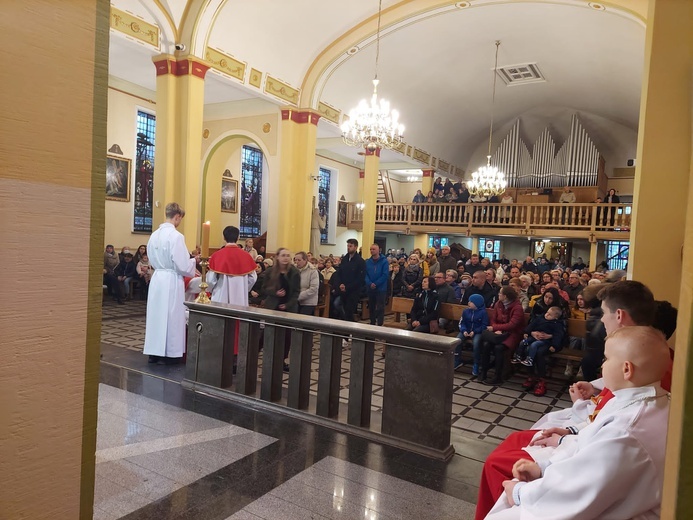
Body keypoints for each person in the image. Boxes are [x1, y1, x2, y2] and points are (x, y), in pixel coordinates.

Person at [485, 326, 671, 520]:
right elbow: (588, 443)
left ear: (626, 369)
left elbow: (576, 489)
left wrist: (520, 492)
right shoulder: (648, 401)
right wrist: (544, 466)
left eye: (606, 359)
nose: (602, 365)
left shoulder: (626, 431)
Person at [143, 202, 198, 364]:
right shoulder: (176, 236)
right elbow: (182, 265)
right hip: (171, 280)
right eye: (180, 219)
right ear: (177, 217)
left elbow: (151, 259)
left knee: (156, 316)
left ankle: (154, 353)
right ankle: (171, 353)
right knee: (172, 316)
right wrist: (194, 261)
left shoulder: (154, 235)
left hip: (157, 277)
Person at [512, 306, 565, 395]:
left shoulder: (557, 323)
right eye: (547, 312)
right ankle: (531, 375)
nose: (547, 315)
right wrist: (530, 332)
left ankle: (541, 380)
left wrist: (553, 342)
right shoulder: (540, 317)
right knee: (526, 347)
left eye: (549, 314)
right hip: (535, 338)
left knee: (539, 352)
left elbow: (559, 334)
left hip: (548, 342)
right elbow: (531, 325)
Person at [479, 286, 524, 386]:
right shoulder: (498, 304)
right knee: (486, 345)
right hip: (499, 333)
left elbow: (513, 325)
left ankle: (498, 376)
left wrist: (495, 328)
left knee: (499, 348)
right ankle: (484, 371)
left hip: (512, 333)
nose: (498, 295)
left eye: (500, 293)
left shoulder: (517, 308)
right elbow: (493, 319)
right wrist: (497, 329)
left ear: (506, 296)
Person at [207, 226, 258, 306]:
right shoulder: (246, 256)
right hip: (240, 298)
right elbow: (253, 278)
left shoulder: (217, 255)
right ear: (238, 237)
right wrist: (244, 288)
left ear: (224, 237)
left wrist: (211, 290)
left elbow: (210, 280)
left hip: (221, 297)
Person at [455, 293, 489, 376]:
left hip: (477, 332)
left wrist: (475, 331)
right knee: (457, 341)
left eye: (471, 302)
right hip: (466, 330)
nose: (468, 303)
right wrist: (464, 331)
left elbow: (484, 326)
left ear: (476, 303)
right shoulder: (466, 311)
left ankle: (476, 363)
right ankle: (456, 360)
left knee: (476, 343)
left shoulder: (483, 313)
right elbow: (462, 323)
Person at [365, 244, 389, 326]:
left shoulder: (384, 261)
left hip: (380, 288)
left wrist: (376, 283)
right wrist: (369, 283)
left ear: (379, 250)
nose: (372, 251)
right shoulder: (368, 262)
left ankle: (380, 324)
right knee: (371, 307)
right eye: (371, 249)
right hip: (370, 288)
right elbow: (365, 274)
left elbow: (385, 275)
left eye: (374, 249)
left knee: (380, 307)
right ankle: (372, 322)